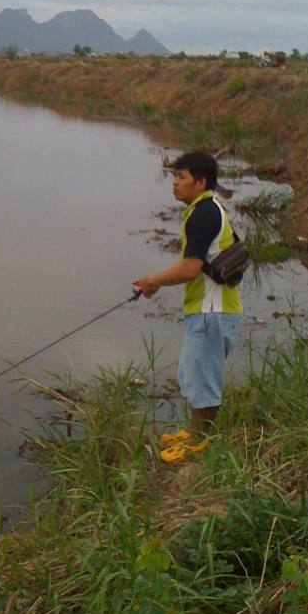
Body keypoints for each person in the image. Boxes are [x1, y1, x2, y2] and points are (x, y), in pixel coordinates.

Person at [133, 151, 242, 463]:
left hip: (212, 311)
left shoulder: (203, 214)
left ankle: (197, 443)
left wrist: (151, 280)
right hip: (212, 309)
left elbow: (190, 269)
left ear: (201, 181)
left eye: (181, 178)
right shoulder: (204, 208)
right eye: (174, 177)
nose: (175, 184)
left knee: (202, 379)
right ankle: (195, 432)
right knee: (194, 373)